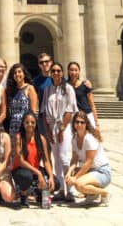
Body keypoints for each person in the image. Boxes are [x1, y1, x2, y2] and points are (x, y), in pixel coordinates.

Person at [42, 61, 77, 202]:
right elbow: (44, 111)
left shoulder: (68, 89)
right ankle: (62, 189)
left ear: (62, 73)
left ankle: (71, 189)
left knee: (65, 157)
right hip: (52, 127)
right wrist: (49, 130)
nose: (56, 73)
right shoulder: (47, 90)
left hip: (64, 126)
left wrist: (62, 128)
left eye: (58, 71)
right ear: (51, 74)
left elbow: (70, 109)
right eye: (53, 71)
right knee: (56, 158)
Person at [66, 111, 111, 206]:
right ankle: (92, 194)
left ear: (86, 124)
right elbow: (74, 159)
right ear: (73, 123)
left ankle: (104, 193)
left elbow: (89, 162)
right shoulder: (74, 138)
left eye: (82, 122)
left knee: (79, 184)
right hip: (91, 171)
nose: (79, 124)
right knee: (74, 173)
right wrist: (69, 173)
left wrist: (75, 178)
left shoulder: (89, 138)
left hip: (102, 171)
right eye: (77, 122)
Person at [12, 111, 55, 208]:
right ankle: (23, 195)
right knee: (27, 177)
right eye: (27, 122)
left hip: (34, 170)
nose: (30, 125)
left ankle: (39, 193)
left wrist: (51, 176)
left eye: (32, 122)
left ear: (36, 124)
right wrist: (39, 173)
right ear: (23, 124)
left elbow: (46, 161)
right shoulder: (19, 137)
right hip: (20, 169)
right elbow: (21, 161)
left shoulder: (41, 139)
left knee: (55, 182)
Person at [6, 63, 38, 138]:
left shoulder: (30, 88)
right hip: (13, 125)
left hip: (25, 125)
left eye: (19, 72)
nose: (17, 74)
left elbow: (34, 111)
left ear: (24, 74)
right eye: (15, 72)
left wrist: (31, 126)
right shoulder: (12, 90)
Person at [67, 62, 100, 130]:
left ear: (79, 71)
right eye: (71, 70)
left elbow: (92, 105)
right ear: (68, 71)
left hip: (87, 115)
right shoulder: (65, 86)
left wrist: (96, 123)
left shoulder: (85, 85)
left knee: (90, 138)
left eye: (76, 70)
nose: (73, 72)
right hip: (73, 118)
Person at [33, 53, 53, 137]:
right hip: (42, 118)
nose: (44, 64)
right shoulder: (35, 81)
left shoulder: (58, 78)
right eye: (41, 62)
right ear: (39, 65)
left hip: (57, 117)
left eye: (46, 61)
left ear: (51, 62)